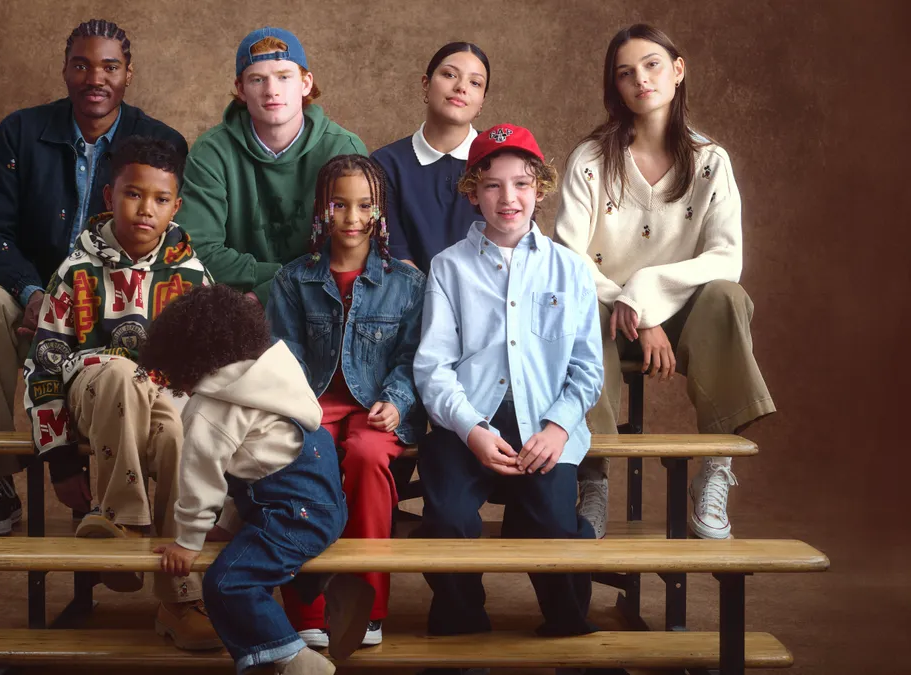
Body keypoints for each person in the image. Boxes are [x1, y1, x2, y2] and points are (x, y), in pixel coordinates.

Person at [0, 18, 187, 537]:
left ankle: (126, 502)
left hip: (114, 309)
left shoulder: (159, 141)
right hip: (29, 294)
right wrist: (34, 294)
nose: (94, 78)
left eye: (109, 67)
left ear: (128, 75)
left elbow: (163, 248)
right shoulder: (22, 132)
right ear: (64, 70)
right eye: (81, 65)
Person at [554, 24, 775, 540]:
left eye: (652, 65)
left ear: (677, 70)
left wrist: (648, 294)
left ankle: (715, 465)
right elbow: (568, 257)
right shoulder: (590, 161)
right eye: (626, 73)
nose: (641, 80)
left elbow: (727, 258)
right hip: (608, 314)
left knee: (727, 296)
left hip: (685, 317)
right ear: (616, 87)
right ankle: (594, 474)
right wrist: (633, 308)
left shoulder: (710, 161)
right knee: (576, 303)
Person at [412, 124, 604, 674]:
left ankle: (569, 625)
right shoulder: (449, 267)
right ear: (473, 192)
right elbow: (433, 367)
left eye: (521, 184)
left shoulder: (569, 270)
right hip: (466, 423)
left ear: (540, 188)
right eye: (492, 186)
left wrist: (559, 427)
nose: (508, 198)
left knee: (552, 529)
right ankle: (461, 623)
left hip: (544, 423)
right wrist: (471, 429)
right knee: (447, 517)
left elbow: (588, 369)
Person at [22, 136, 217, 650]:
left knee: (175, 431)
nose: (145, 209)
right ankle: (123, 522)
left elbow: (210, 369)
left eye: (159, 199)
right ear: (109, 196)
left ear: (176, 206)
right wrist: (60, 460)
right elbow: (42, 366)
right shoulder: (75, 271)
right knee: (117, 373)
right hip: (91, 399)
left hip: (158, 406)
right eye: (133, 194)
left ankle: (179, 596)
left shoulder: (191, 277)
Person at [142, 284, 374, 675]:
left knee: (228, 583)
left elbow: (202, 481)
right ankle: (332, 588)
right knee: (260, 554)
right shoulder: (272, 371)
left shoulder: (208, 409)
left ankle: (294, 660)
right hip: (327, 505)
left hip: (290, 515)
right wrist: (227, 525)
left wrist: (188, 541)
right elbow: (253, 463)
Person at [267, 155, 426, 648]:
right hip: (310, 404)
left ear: (379, 212)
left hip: (375, 407)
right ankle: (308, 612)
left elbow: (413, 357)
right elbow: (284, 354)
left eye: (364, 206)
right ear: (322, 209)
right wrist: (295, 409)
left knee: (366, 455)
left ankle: (367, 606)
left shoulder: (406, 282)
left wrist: (398, 401)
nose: (352, 218)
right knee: (296, 459)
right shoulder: (294, 281)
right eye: (340, 204)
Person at [178, 27, 367, 305]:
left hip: (323, 304)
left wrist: (264, 294)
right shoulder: (211, 151)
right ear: (241, 89)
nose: (271, 91)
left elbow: (351, 250)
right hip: (233, 305)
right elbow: (197, 250)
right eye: (257, 79)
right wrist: (282, 279)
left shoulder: (343, 150)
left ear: (305, 83)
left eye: (283, 77)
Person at [372, 42, 489, 272]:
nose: (461, 87)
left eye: (475, 82)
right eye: (449, 74)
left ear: (481, 103)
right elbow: (394, 253)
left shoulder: (501, 157)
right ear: (426, 84)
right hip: (414, 300)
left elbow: (517, 244)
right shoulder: (385, 164)